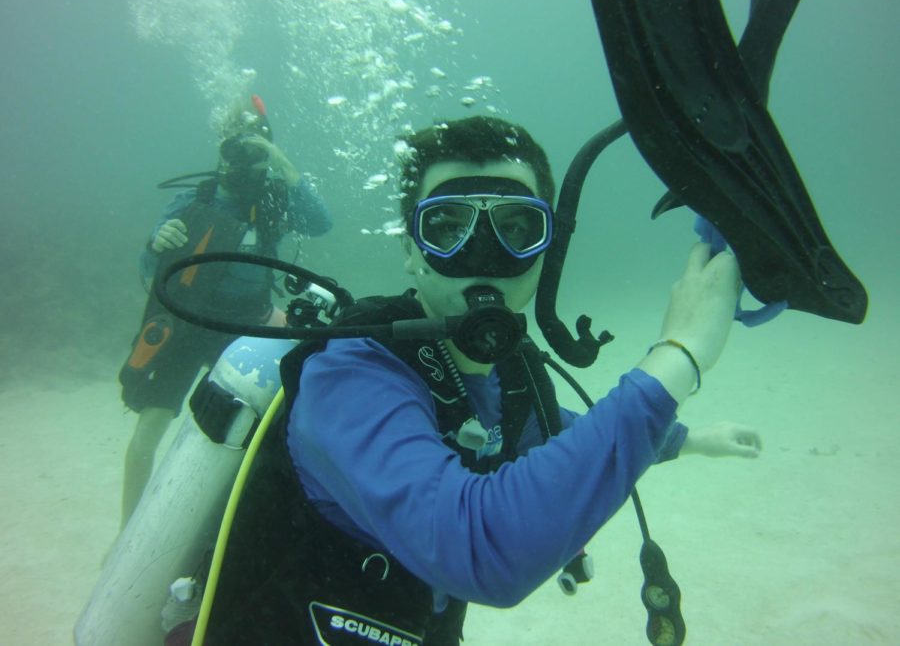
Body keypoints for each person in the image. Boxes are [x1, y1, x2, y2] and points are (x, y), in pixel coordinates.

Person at [201, 116, 760, 645]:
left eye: (517, 228)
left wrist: (688, 441)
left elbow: (561, 432)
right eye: (447, 226)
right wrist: (679, 354)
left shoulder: (513, 378)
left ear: (548, 250)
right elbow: (480, 549)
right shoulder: (351, 374)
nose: (484, 256)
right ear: (410, 250)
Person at [118, 95, 332, 530]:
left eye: (254, 150)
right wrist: (157, 244)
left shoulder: (274, 202)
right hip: (186, 323)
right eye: (234, 148)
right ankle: (127, 530)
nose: (242, 161)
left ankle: (226, 528)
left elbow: (320, 221)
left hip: (244, 330)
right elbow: (148, 270)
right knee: (151, 425)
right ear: (220, 149)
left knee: (247, 433)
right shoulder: (194, 198)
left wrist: (283, 164)